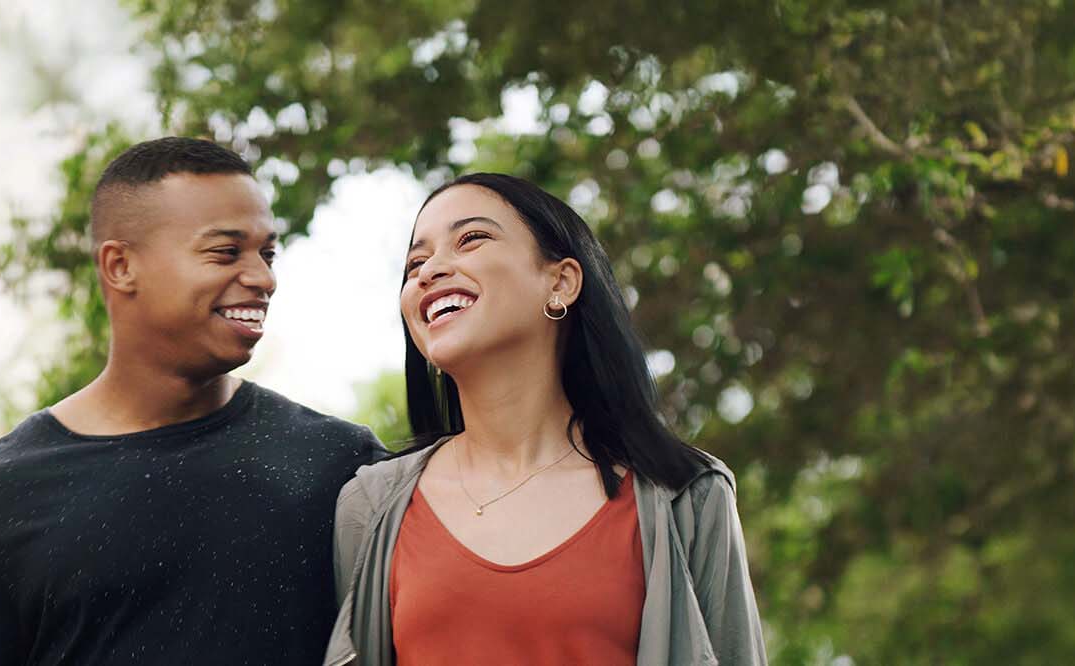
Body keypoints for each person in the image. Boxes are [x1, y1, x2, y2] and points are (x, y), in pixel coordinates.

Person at [0, 137, 382, 665]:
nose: (263, 278)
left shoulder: (342, 464)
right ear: (120, 267)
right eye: (226, 251)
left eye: (267, 253)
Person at [324, 173, 767, 666]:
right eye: (415, 263)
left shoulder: (685, 494)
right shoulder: (370, 506)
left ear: (560, 282)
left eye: (470, 239)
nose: (429, 272)